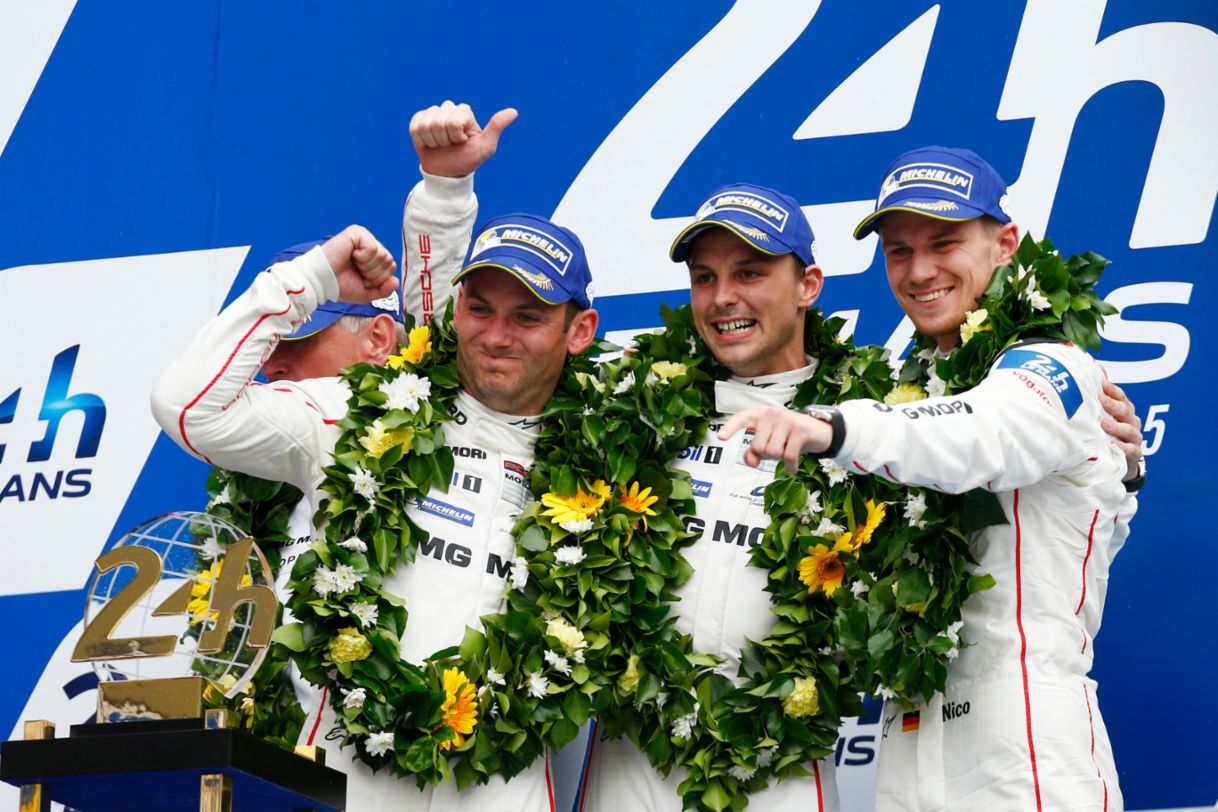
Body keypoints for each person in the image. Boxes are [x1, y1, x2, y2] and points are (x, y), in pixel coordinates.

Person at [720, 146, 1138, 811]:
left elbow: (984, 433)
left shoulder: (1053, 364)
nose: (919, 271)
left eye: (944, 243)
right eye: (898, 251)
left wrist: (835, 428)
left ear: (1006, 245)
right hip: (904, 740)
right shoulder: (914, 387)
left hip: (1022, 741)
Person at [152, 208, 597, 810]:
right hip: (342, 784)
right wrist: (308, 281)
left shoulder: (608, 453)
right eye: (479, 309)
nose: (496, 336)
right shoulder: (360, 415)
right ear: (455, 315)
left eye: (527, 316)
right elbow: (185, 408)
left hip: (502, 790)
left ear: (580, 331)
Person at [579, 183, 840, 811]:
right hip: (631, 763)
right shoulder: (637, 405)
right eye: (705, 277)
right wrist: (444, 198)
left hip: (779, 768)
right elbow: (481, 359)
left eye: (749, 272)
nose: (723, 297)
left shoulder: (863, 425)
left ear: (807, 286)